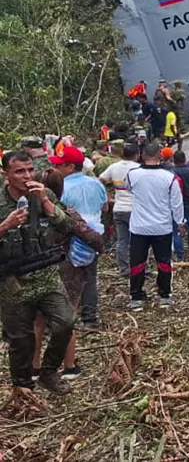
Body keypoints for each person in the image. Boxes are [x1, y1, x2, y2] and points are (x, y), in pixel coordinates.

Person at [0, 151, 80, 395]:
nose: (26, 176)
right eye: (19, 171)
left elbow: (67, 225)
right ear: (6, 175)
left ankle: (48, 372)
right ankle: (23, 388)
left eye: (29, 170)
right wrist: (5, 225)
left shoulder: (43, 194)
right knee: (20, 340)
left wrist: (45, 201)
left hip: (46, 274)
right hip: (13, 280)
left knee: (65, 322)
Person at [33, 169, 104, 381]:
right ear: (61, 189)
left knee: (38, 320)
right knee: (66, 319)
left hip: (36, 271)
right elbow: (93, 237)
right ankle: (69, 366)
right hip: (67, 272)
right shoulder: (66, 213)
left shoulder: (28, 215)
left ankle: (34, 368)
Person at [50, 146, 106, 331]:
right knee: (89, 277)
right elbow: (105, 207)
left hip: (69, 237)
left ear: (70, 167)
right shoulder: (96, 183)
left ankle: (65, 318)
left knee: (65, 277)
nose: (56, 168)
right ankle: (90, 318)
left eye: (59, 165)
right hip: (92, 237)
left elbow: (60, 214)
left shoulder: (62, 187)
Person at [125, 143, 185, 310]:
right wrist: (180, 222)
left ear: (142, 155)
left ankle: (136, 297)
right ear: (160, 156)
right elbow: (177, 203)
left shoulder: (132, 175)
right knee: (164, 262)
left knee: (137, 262)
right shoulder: (169, 177)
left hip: (139, 227)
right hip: (162, 227)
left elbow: (128, 189)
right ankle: (164, 295)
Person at [99, 143, 140, 277]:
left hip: (119, 208)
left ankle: (124, 268)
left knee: (122, 240)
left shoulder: (114, 167)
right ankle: (137, 267)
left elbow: (100, 180)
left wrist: (108, 196)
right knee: (137, 240)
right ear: (137, 155)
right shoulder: (138, 168)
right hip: (135, 209)